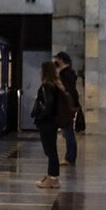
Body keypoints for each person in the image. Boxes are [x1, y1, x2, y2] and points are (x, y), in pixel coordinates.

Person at [30, 60, 74, 189]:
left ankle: (53, 178)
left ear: (45, 72)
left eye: (41, 69)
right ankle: (51, 177)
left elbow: (48, 105)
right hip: (52, 122)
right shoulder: (55, 85)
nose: (39, 71)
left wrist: (40, 116)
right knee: (51, 150)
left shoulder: (47, 86)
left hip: (47, 122)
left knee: (50, 150)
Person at [53, 51, 81, 166]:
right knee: (68, 133)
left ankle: (69, 158)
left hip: (65, 109)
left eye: (57, 59)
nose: (56, 61)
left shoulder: (65, 74)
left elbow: (66, 92)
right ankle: (70, 157)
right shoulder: (69, 73)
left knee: (68, 133)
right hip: (67, 107)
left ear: (61, 60)